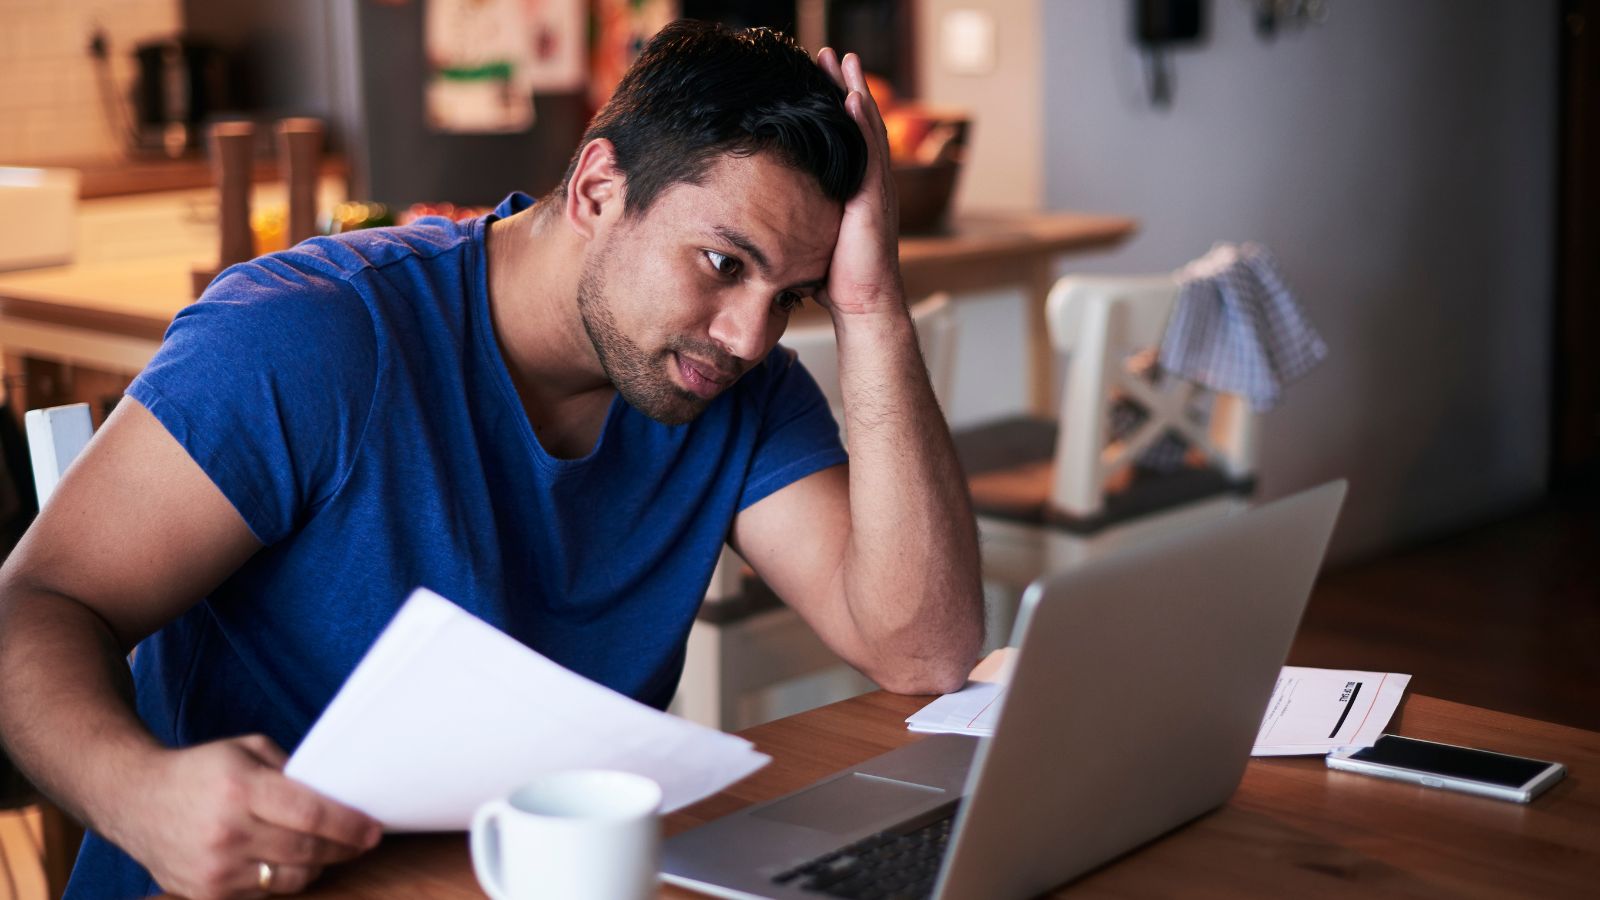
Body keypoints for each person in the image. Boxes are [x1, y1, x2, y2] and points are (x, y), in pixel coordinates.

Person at [0, 20, 982, 900]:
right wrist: (138, 796)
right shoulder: (314, 338)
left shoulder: (731, 385)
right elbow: (33, 603)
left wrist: (870, 305)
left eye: (790, 296)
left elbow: (922, 649)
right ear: (599, 189)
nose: (747, 335)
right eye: (723, 265)